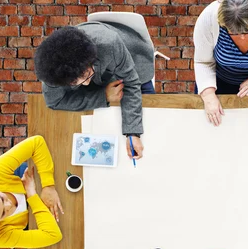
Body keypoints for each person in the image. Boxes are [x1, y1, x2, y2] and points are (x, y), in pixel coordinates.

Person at [34, 22, 156, 160]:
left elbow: (132, 82)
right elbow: (54, 102)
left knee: (151, 120)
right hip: (101, 75)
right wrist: (103, 96)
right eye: (75, 82)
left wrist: (133, 133)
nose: (85, 83)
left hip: (132, 59)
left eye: (86, 75)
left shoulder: (109, 43)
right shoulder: (52, 71)